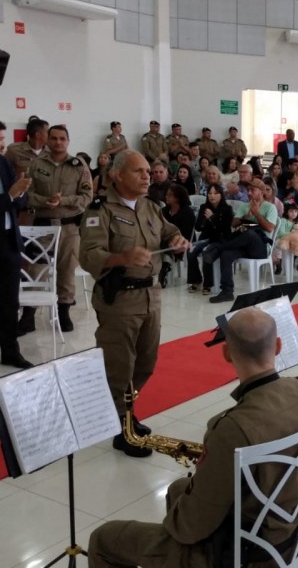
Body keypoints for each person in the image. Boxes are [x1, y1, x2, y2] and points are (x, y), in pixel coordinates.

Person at [88, 307, 298, 568]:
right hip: (291, 535)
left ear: (226, 353)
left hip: (241, 559)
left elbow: (188, 528)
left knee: (105, 539)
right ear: (278, 346)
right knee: (177, 489)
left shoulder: (231, 428)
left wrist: (181, 514)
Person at [79, 150, 189, 457]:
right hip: (120, 300)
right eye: (139, 171)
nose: (146, 176)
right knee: (119, 367)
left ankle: (125, 412)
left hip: (150, 296)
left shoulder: (149, 206)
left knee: (145, 363)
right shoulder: (98, 211)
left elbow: (169, 232)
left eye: (148, 171)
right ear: (117, 175)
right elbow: (88, 255)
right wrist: (121, 258)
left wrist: (176, 241)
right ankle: (120, 426)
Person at [27, 124, 93, 332]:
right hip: (42, 227)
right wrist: (45, 201)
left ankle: (64, 312)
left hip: (68, 227)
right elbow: (26, 194)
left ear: (68, 141)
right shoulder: (37, 165)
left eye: (62, 139)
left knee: (66, 271)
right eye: (54, 138)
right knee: (35, 270)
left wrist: (63, 200)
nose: (58, 142)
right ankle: (28, 315)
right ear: (47, 140)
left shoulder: (78, 165)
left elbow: (87, 196)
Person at [206, 178, 277, 303]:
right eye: (248, 190)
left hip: (260, 248)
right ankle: (227, 291)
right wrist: (246, 216)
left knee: (249, 234)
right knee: (226, 255)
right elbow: (233, 225)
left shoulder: (270, 207)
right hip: (243, 246)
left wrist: (257, 214)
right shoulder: (245, 205)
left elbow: (270, 228)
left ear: (261, 192)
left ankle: (218, 247)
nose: (249, 193)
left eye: (252, 190)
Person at [0, 121, 33, 368]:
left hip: (9, 241)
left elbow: (19, 201)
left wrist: (20, 194)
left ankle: (11, 351)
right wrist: (11, 195)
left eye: (3, 139)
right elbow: (8, 196)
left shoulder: (4, 163)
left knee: (11, 301)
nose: (2, 144)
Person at [187, 183, 232, 295]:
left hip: (220, 240)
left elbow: (224, 229)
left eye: (215, 193)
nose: (212, 196)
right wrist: (203, 220)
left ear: (221, 195)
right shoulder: (203, 207)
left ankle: (208, 284)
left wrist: (213, 217)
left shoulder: (227, 209)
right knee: (191, 251)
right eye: (210, 193)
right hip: (205, 238)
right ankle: (196, 280)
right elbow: (198, 227)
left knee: (206, 251)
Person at [272, 203, 298, 275]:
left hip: (294, 241)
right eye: (291, 211)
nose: (294, 213)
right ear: (286, 212)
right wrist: (292, 234)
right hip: (282, 239)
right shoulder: (283, 221)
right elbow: (281, 233)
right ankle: (278, 265)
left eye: (296, 211)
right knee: (279, 247)